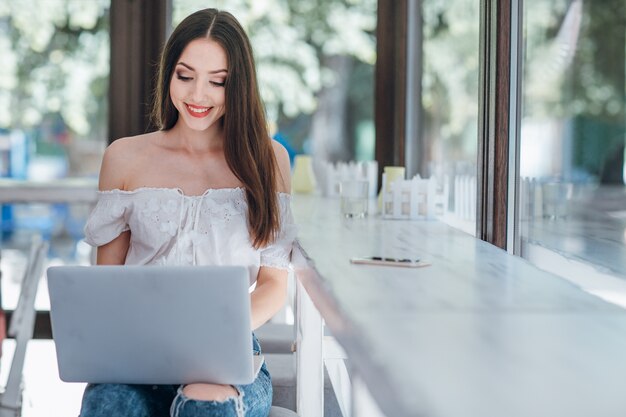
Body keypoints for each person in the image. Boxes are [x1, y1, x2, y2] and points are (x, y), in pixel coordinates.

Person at [80, 8, 296, 417]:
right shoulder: (124, 157)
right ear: (169, 75)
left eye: (218, 82)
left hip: (226, 346)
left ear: (240, 86)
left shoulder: (269, 159)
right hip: (137, 345)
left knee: (205, 402)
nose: (198, 96)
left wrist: (209, 337)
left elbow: (273, 285)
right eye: (185, 76)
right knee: (108, 403)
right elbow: (106, 284)